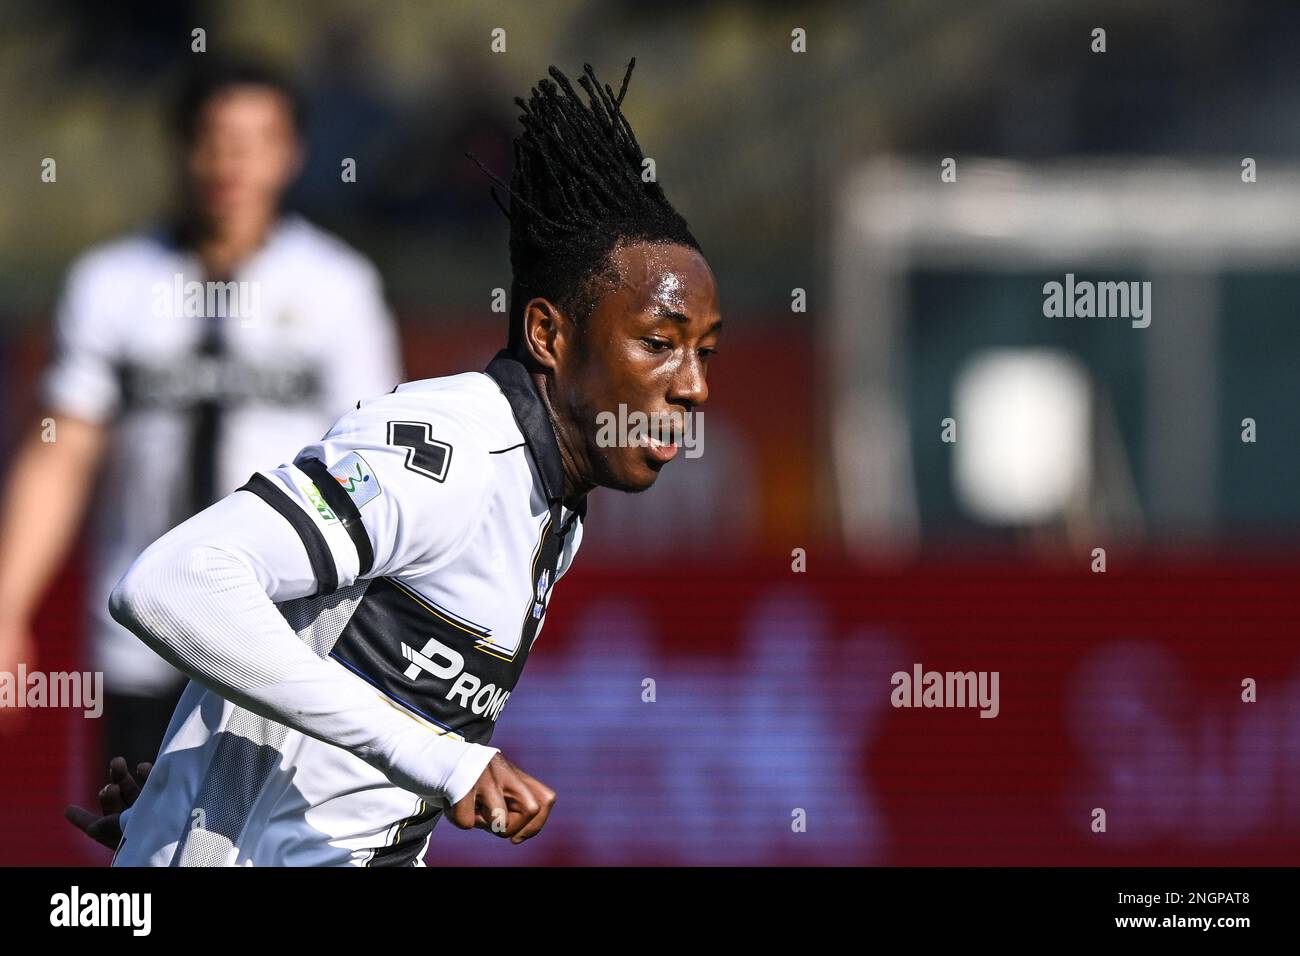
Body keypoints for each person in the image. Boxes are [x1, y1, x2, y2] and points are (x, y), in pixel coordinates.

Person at [65, 58, 723, 866]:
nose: (692, 386)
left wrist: (191, 796)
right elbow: (172, 583)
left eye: (704, 352)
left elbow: (335, 690)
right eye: (659, 344)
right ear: (550, 336)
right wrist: (443, 761)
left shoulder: (552, 498)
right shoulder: (451, 452)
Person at [0, 57, 402, 772]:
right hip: (140, 638)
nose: (231, 162)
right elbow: (62, 452)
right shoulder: (110, 283)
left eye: (255, 141)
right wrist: (7, 605)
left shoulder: (338, 288)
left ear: (291, 154)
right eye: (213, 138)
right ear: (181, 146)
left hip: (288, 644)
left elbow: (371, 472)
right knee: (138, 859)